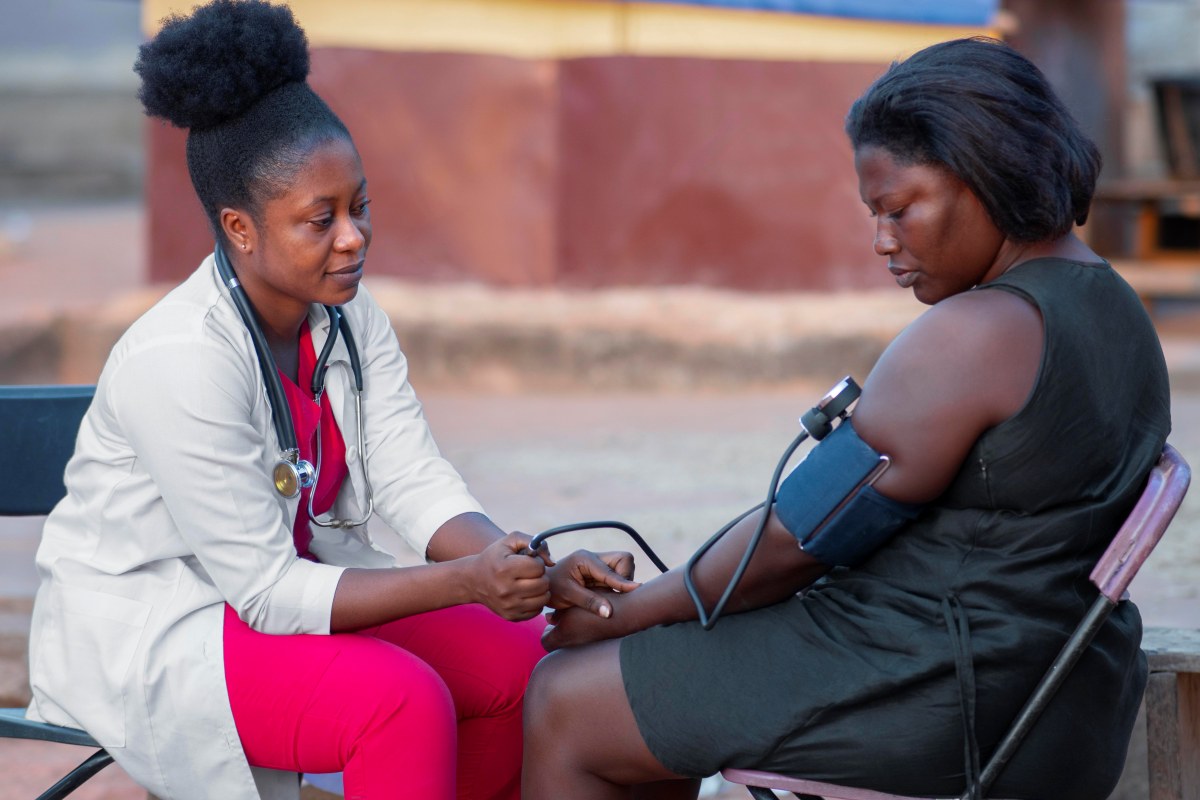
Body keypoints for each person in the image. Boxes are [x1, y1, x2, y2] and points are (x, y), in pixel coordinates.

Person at [521, 37, 1170, 800]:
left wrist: (628, 614)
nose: (881, 241)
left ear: (986, 179)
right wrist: (660, 616)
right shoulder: (1113, 304)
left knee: (567, 701)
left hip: (938, 693)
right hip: (1054, 691)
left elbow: (797, 538)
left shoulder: (978, 335)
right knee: (659, 681)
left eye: (899, 209)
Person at [23, 2, 638, 799]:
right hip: (165, 631)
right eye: (321, 220)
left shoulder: (345, 313)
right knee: (398, 701)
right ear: (240, 228)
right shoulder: (180, 359)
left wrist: (524, 570)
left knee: (519, 663)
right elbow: (268, 592)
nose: (353, 238)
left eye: (360, 206)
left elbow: (413, 479)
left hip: (279, 594)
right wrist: (467, 582)